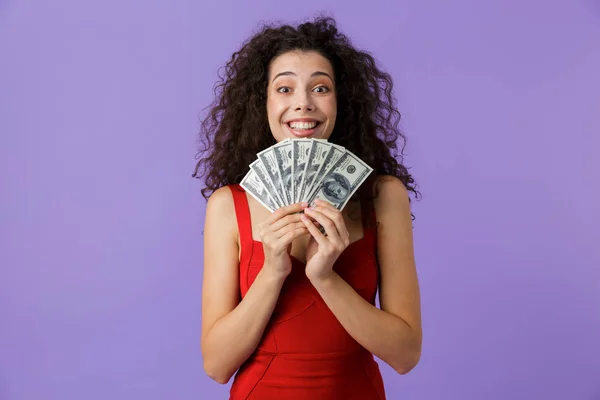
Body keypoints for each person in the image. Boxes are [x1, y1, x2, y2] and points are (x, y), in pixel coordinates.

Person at [193, 16, 422, 400]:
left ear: (341, 100)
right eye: (284, 88)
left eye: (320, 87)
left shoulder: (383, 196)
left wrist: (326, 277)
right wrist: (273, 271)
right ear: (261, 101)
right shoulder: (228, 205)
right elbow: (217, 366)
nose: (303, 103)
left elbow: (405, 354)